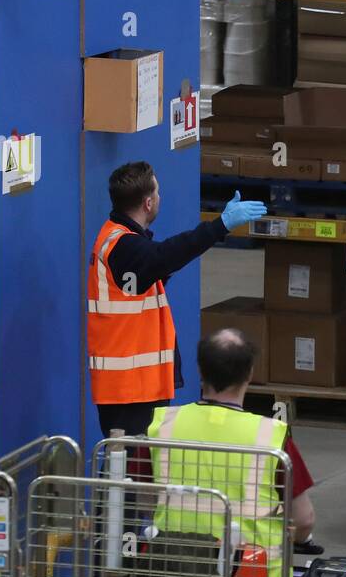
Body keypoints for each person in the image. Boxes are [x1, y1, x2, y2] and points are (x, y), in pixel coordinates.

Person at [87, 160, 266, 438]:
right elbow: (165, 256)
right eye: (157, 193)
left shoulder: (127, 241)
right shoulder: (123, 245)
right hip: (127, 391)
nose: (160, 198)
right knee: (122, 474)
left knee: (137, 471)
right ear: (148, 203)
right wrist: (220, 226)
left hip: (138, 387)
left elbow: (153, 268)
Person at [146, 329, 319, 577]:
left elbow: (140, 500)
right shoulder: (271, 437)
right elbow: (304, 519)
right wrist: (297, 539)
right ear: (249, 374)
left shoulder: (164, 426)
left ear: (200, 370)